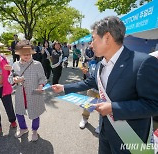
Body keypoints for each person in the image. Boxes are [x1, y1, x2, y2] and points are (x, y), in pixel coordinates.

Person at [52, 16, 158, 153]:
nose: (90, 44)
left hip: (129, 139)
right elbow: (90, 82)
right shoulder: (101, 64)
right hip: (104, 132)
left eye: (93, 39)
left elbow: (153, 105)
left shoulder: (143, 62)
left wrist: (114, 108)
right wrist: (64, 87)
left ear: (107, 37)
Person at [9, 40, 47, 141]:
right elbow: (10, 78)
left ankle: (35, 130)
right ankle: (23, 128)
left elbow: (43, 78)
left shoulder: (37, 64)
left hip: (33, 93)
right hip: (20, 94)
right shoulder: (15, 65)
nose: (27, 56)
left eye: (29, 54)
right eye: (24, 54)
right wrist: (14, 80)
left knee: (35, 113)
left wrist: (40, 85)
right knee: (19, 112)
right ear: (19, 54)